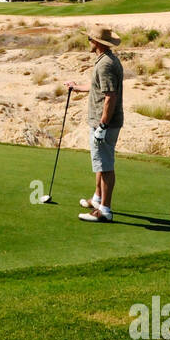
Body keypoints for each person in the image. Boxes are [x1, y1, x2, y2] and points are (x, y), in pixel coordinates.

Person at [67, 27, 124, 223]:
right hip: (103, 122)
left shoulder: (105, 65)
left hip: (105, 123)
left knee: (106, 165)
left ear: (97, 42)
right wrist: (77, 88)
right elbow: (98, 87)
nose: (88, 40)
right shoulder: (105, 60)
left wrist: (103, 126)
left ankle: (105, 211)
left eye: (90, 38)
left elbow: (110, 96)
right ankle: (97, 199)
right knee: (100, 163)